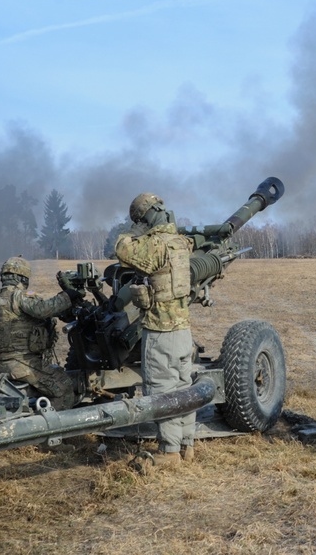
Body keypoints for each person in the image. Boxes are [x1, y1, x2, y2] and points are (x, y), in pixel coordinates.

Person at [114, 192, 196, 467]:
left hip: (161, 332)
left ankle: (170, 451)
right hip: (183, 331)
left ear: (145, 216)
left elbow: (122, 249)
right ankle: (187, 445)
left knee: (163, 390)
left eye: (140, 218)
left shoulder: (155, 245)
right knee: (184, 387)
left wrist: (135, 230)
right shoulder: (180, 243)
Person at [0, 256, 81, 411]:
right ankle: (51, 430)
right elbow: (43, 309)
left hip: (3, 365)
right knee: (65, 387)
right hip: (24, 363)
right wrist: (68, 295)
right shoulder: (19, 296)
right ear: (22, 277)